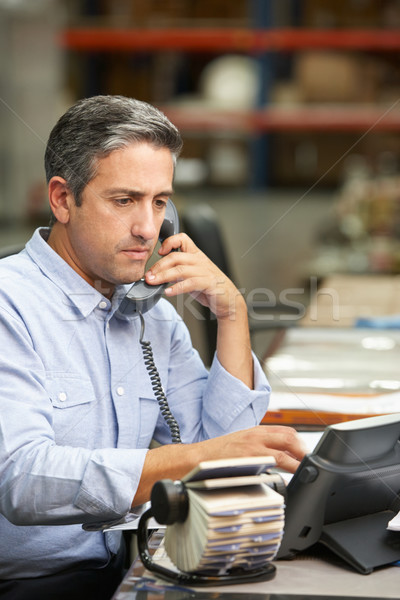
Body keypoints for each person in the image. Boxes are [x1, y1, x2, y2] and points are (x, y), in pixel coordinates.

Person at [0, 95, 306, 599]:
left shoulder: (151, 315)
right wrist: (197, 459)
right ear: (62, 199)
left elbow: (222, 454)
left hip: (129, 566)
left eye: (159, 202)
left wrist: (232, 314)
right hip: (33, 586)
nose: (147, 228)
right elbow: (23, 479)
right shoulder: (11, 306)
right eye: (124, 201)